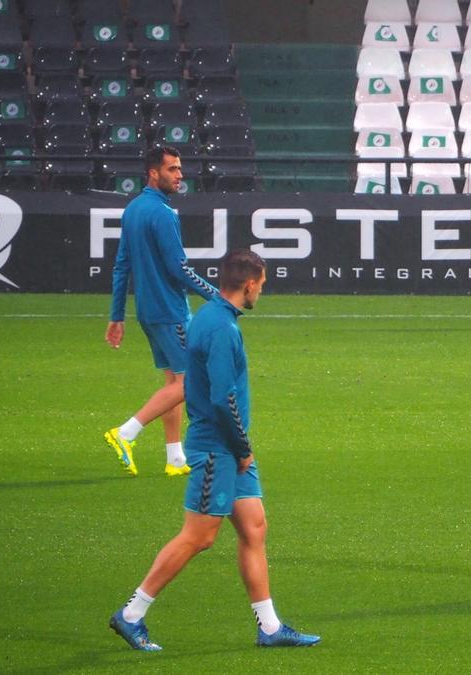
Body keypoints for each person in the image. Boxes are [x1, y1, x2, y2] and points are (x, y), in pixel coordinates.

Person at [109, 249, 321, 651]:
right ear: (249, 284)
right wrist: (242, 450)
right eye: (262, 283)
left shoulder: (207, 315)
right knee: (199, 537)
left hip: (227, 447)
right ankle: (132, 614)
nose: (263, 289)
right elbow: (224, 400)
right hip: (217, 449)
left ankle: (271, 628)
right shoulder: (223, 329)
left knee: (254, 527)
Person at [104, 145, 218, 477]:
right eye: (172, 169)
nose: (180, 175)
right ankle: (126, 432)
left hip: (148, 312)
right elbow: (179, 268)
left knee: (174, 380)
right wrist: (216, 296)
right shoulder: (163, 214)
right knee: (193, 380)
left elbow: (121, 265)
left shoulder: (133, 209)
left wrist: (116, 315)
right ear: (154, 173)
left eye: (180, 169)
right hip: (170, 310)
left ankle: (175, 457)